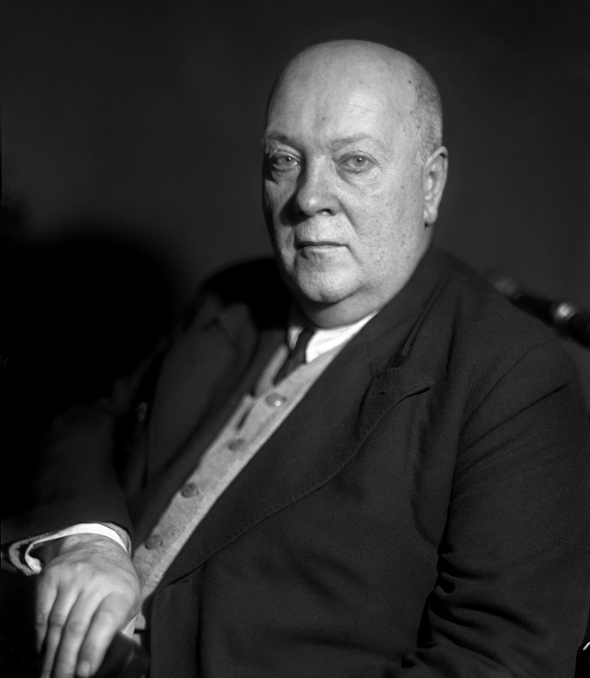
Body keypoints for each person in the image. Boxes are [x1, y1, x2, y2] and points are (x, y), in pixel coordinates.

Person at [3, 39, 590, 678]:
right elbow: (94, 423)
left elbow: (500, 660)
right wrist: (89, 542)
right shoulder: (230, 299)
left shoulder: (514, 378)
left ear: (430, 184)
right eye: (285, 160)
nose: (309, 198)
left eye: (355, 162)